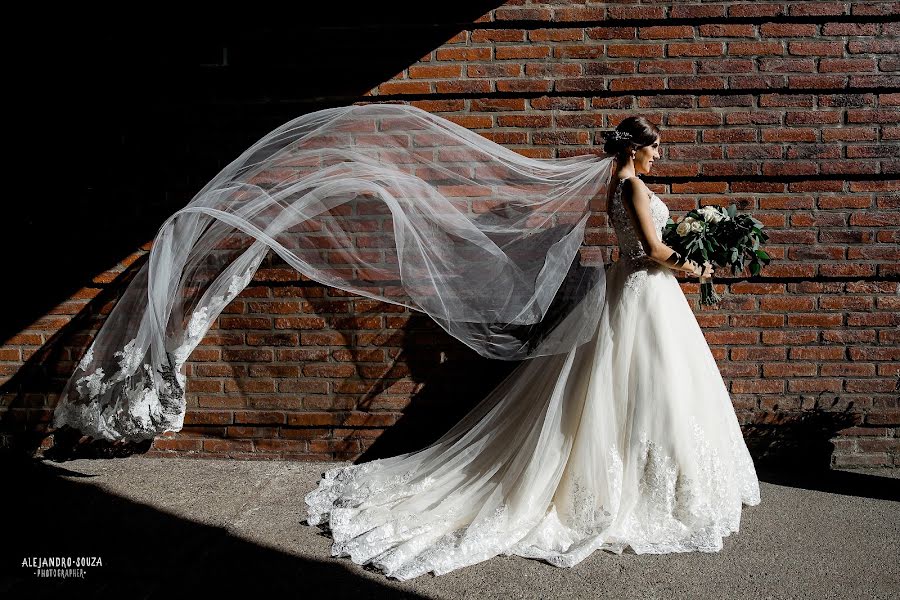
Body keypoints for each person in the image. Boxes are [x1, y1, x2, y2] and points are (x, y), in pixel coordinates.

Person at [303, 116, 761, 580]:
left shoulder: (616, 187)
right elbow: (654, 249)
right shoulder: (633, 188)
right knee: (652, 380)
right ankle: (646, 487)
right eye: (655, 147)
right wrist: (699, 267)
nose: (659, 155)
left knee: (637, 380)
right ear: (635, 149)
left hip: (635, 288)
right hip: (646, 288)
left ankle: (648, 478)